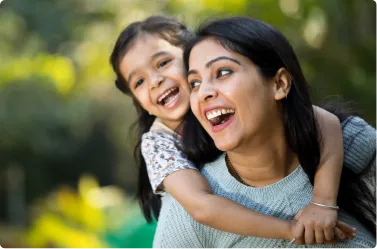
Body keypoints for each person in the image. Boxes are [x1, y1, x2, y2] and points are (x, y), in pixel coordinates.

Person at [109, 16, 368, 245]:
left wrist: (322, 202)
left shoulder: (221, 101)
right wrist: (291, 229)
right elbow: (202, 208)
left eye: (163, 63)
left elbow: (323, 120)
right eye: (139, 81)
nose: (155, 82)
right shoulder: (158, 142)